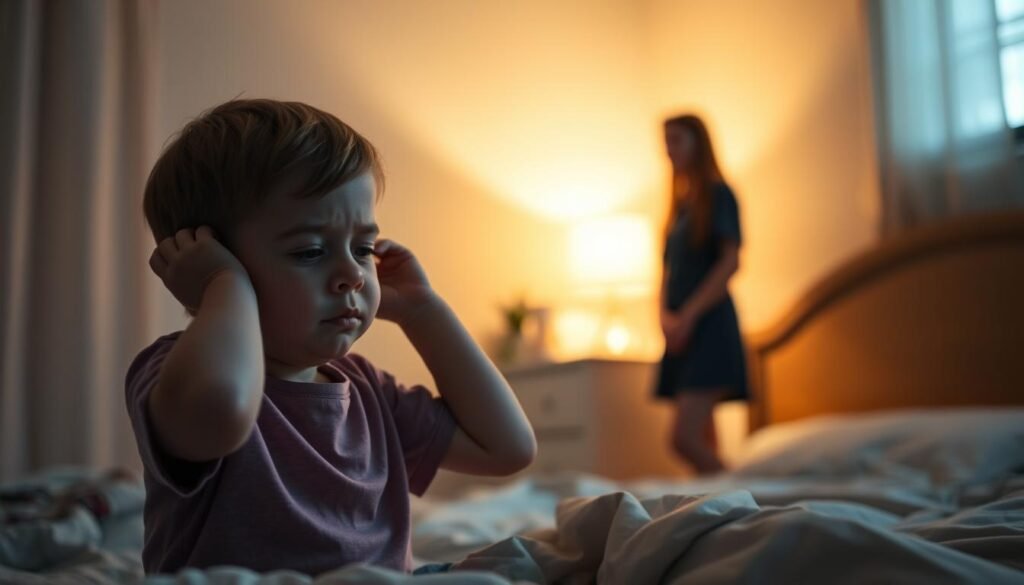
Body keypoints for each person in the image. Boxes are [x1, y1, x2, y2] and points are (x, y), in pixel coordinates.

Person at [126, 99, 536, 575]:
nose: (352, 275)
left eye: (363, 248)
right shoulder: (173, 371)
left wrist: (425, 313)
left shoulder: (367, 390)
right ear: (208, 266)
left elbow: (508, 449)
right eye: (310, 251)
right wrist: (225, 286)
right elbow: (219, 412)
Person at [654, 114, 748, 475]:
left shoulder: (719, 195)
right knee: (705, 437)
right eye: (666, 142)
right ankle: (718, 511)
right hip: (682, 328)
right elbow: (666, 271)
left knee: (683, 438)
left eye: (676, 140)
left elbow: (729, 263)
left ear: (698, 143)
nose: (668, 150)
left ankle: (743, 494)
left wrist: (689, 315)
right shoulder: (680, 206)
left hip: (709, 326)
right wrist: (664, 315)